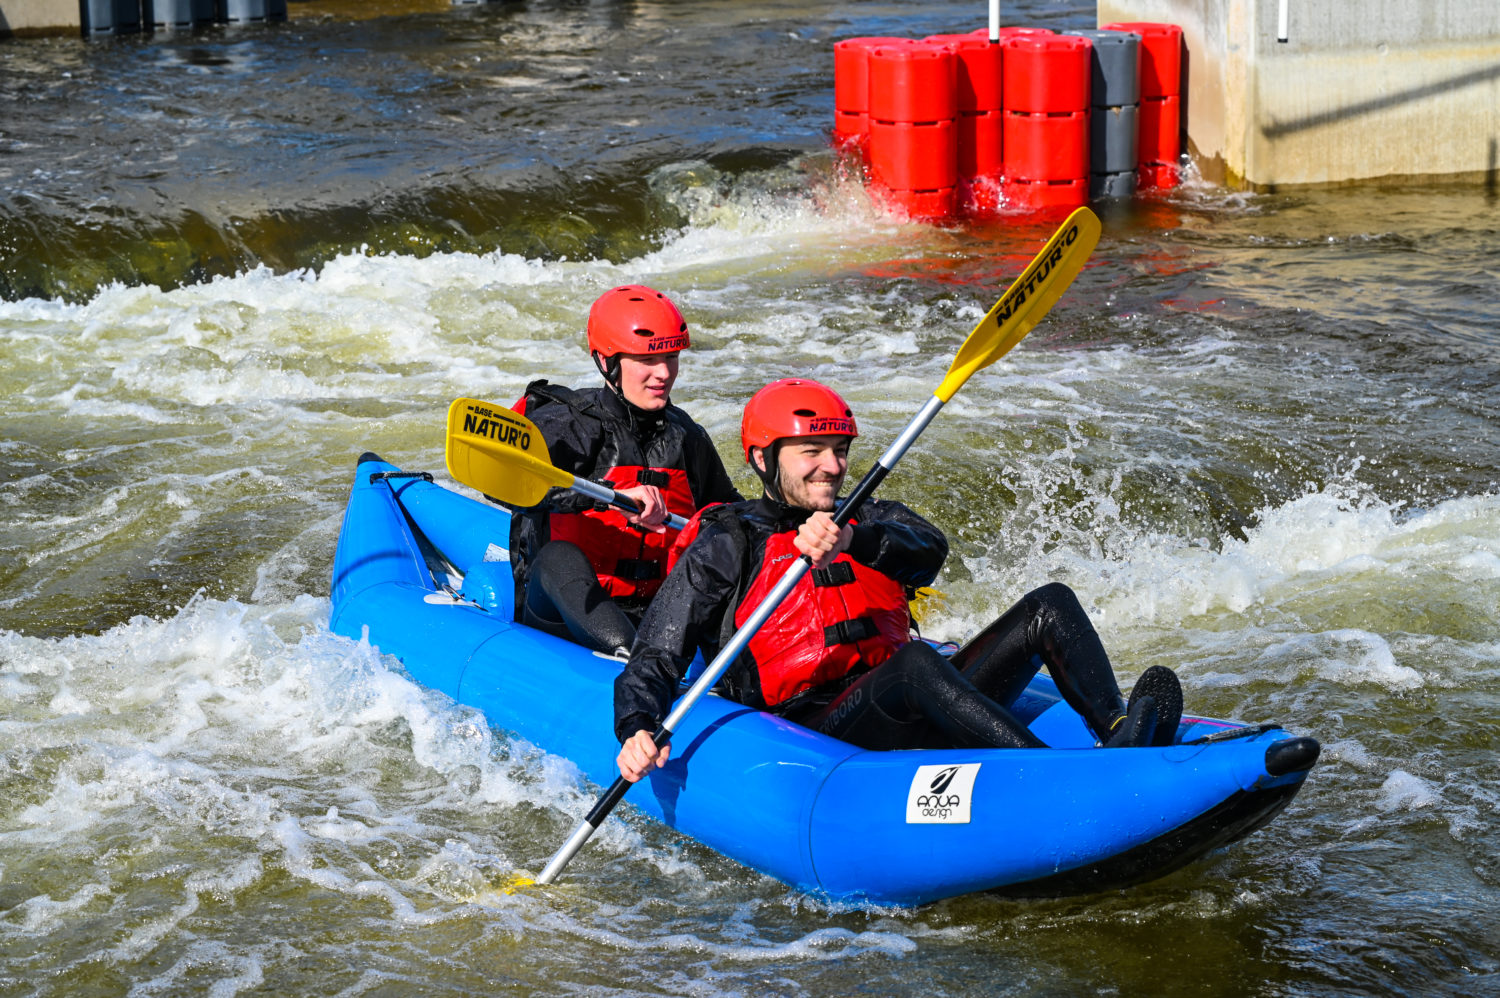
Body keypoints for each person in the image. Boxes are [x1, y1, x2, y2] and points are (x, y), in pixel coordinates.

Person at [613, 377, 1183, 782]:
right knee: (913, 666)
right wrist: (637, 725)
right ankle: (1049, 777)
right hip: (821, 725)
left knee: (1049, 604)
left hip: (909, 693)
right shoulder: (728, 539)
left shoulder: (869, 517)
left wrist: (851, 539)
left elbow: (928, 552)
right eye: (811, 451)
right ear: (763, 460)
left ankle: (1116, 733)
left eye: (838, 451)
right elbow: (657, 651)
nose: (832, 467)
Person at [507, 284, 742, 654]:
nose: (664, 373)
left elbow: (729, 511)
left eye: (672, 357)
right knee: (556, 558)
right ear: (606, 361)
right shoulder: (564, 425)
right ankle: (629, 661)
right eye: (647, 360)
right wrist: (602, 497)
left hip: (657, 614)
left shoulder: (688, 437)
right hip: (564, 612)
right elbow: (506, 484)